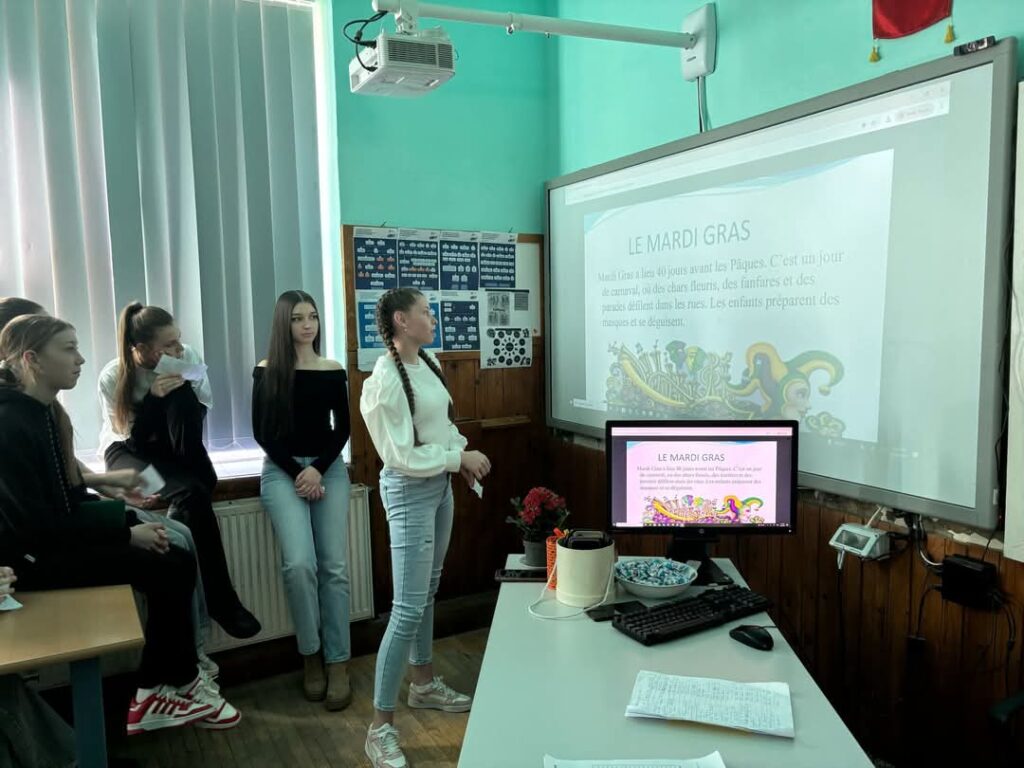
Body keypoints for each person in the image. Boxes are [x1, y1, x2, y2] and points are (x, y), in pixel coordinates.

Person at [0, 315, 239, 733]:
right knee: (171, 563)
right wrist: (127, 533)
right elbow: (39, 528)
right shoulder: (12, 423)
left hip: (52, 542)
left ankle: (163, 687)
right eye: (69, 349)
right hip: (32, 563)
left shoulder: (42, 413)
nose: (81, 359)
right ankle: (172, 684)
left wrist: (125, 519)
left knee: (174, 553)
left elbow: (70, 497)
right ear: (32, 359)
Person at [359, 288, 491, 768]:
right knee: (406, 609)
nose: (432, 319)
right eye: (425, 312)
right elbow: (400, 456)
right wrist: (458, 459)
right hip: (410, 491)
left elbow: (441, 426)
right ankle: (379, 728)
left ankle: (423, 683)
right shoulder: (385, 381)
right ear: (401, 320)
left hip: (438, 487)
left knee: (427, 592)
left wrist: (460, 454)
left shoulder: (428, 362)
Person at [98, 302, 260, 639]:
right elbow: (131, 439)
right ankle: (221, 600)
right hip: (127, 457)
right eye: (169, 345)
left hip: (173, 456)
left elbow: (198, 416)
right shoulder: (113, 376)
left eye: (179, 340)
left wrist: (177, 387)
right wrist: (153, 399)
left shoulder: (187, 356)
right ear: (141, 348)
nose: (179, 349)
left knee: (184, 398)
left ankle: (215, 604)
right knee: (192, 490)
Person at [252, 290, 353, 709]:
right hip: (282, 471)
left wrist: (318, 469)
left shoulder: (332, 369)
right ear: (284, 324)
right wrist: (299, 472)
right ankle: (311, 656)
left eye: (312, 316)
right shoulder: (267, 370)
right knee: (299, 565)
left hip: (328, 469)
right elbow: (261, 432)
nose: (307, 324)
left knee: (334, 567)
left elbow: (342, 428)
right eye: (297, 318)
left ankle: (339, 662)